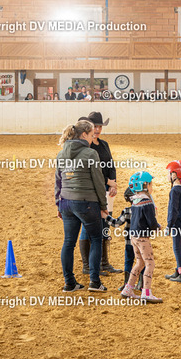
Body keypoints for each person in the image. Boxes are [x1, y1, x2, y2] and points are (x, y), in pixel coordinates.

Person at [55, 119, 108, 292]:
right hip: (87, 203)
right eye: (92, 134)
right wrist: (103, 205)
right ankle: (94, 282)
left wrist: (58, 204)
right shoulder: (90, 154)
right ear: (84, 134)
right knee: (96, 239)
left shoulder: (61, 154)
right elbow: (98, 182)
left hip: (66, 202)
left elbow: (58, 182)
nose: (93, 138)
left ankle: (69, 283)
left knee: (68, 242)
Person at [78, 112, 121, 275]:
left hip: (106, 191)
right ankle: (87, 266)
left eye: (100, 127)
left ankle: (104, 262)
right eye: (95, 127)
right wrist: (108, 182)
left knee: (105, 224)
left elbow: (111, 165)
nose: (97, 130)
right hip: (93, 190)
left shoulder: (104, 145)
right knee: (88, 226)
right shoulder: (87, 147)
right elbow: (91, 171)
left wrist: (113, 182)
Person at [121, 171, 163, 303]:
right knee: (150, 263)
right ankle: (146, 292)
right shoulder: (147, 202)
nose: (152, 186)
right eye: (150, 184)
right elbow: (151, 222)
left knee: (139, 262)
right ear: (145, 185)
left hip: (133, 236)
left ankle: (128, 289)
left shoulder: (135, 201)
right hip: (142, 237)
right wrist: (158, 227)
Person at [106, 186, 145, 291]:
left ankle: (127, 284)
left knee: (128, 261)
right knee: (142, 262)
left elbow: (116, 223)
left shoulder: (127, 211)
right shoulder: (143, 209)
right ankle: (141, 284)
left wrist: (106, 217)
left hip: (129, 242)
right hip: (141, 242)